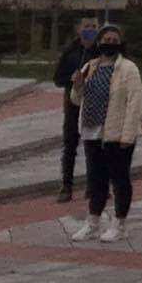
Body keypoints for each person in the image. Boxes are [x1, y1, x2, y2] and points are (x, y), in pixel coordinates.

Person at [66, 24, 142, 242]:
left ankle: (119, 224)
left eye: (113, 40)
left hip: (116, 133)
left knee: (119, 178)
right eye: (105, 39)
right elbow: (75, 99)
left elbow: (134, 103)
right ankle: (93, 222)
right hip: (92, 131)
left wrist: (128, 136)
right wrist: (78, 85)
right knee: (96, 179)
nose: (109, 43)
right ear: (98, 42)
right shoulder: (90, 66)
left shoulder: (128, 68)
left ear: (120, 43)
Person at [51, 15, 98, 203]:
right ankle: (66, 185)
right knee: (70, 143)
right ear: (78, 29)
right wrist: (70, 78)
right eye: (87, 26)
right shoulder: (70, 52)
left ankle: (94, 184)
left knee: (94, 144)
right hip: (73, 103)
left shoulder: (102, 51)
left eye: (94, 26)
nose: (90, 30)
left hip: (95, 104)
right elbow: (57, 79)